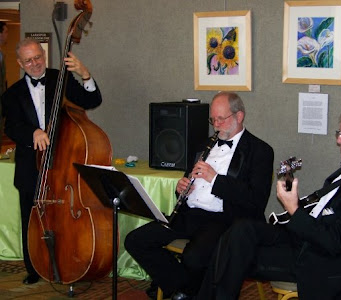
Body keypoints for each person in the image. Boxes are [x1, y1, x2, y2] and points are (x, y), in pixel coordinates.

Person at [194, 105, 341, 300]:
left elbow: (334, 242)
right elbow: (322, 211)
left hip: (321, 263)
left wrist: (293, 209)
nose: (339, 140)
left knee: (232, 255)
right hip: (307, 239)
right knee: (241, 229)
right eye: (339, 133)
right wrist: (294, 202)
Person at [124, 91, 274, 299]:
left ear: (239, 116)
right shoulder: (205, 145)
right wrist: (182, 188)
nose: (216, 125)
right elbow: (190, 179)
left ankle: (182, 289)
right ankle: (187, 289)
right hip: (189, 214)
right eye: (213, 119)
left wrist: (215, 179)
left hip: (223, 220)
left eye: (221, 119)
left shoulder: (260, 151)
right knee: (136, 240)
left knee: (194, 258)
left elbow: (255, 201)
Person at [1, 38, 102, 285]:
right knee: (32, 218)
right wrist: (33, 133)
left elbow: (92, 101)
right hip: (31, 167)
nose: (35, 64)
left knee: (64, 218)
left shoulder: (61, 79)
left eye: (38, 57)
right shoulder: (11, 94)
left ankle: (69, 262)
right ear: (19, 63)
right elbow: (12, 126)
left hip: (63, 165)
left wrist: (85, 74)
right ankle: (33, 267)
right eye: (29, 60)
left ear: (43, 56)